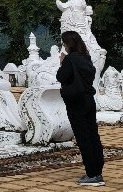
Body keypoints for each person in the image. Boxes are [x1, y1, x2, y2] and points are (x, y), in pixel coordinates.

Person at [57, 30, 105, 186]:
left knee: (83, 137)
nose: (63, 45)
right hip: (89, 100)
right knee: (93, 135)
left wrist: (63, 62)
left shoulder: (70, 59)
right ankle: (97, 171)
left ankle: (92, 175)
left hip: (76, 101)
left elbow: (61, 77)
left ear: (68, 44)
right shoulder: (86, 58)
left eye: (64, 43)